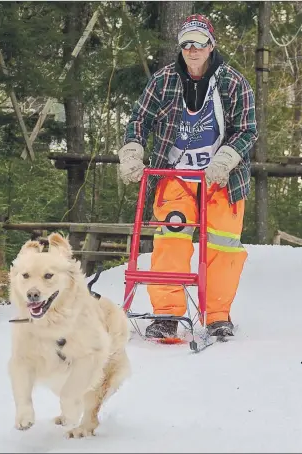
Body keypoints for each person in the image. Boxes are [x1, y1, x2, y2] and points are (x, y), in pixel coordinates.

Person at [117, 14, 258, 339]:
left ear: (211, 45)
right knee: (170, 240)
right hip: (175, 176)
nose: (193, 49)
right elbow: (139, 119)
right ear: (180, 47)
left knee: (223, 245)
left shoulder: (234, 83)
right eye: (186, 44)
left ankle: (217, 315)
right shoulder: (163, 81)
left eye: (199, 42)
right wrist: (133, 151)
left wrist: (225, 159)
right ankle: (167, 315)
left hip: (220, 180)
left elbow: (248, 130)